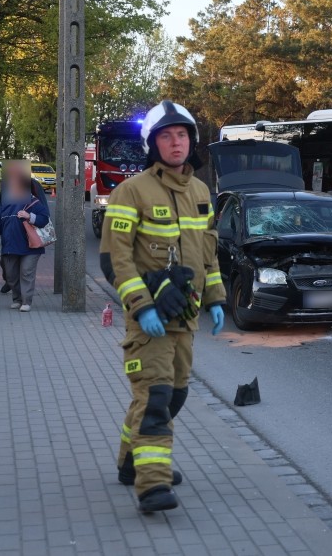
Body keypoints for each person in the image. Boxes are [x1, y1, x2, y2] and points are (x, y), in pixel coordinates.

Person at [99, 100, 226, 514]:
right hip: (148, 321)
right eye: (167, 136)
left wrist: (216, 298)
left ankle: (130, 460)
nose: (177, 143)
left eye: (183, 134)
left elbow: (209, 253)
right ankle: (151, 484)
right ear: (153, 144)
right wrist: (142, 306)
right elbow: (114, 258)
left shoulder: (202, 192)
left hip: (185, 320)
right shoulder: (130, 191)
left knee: (173, 397)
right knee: (154, 399)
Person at [0, 170, 49, 312]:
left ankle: (26, 302)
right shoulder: (5, 203)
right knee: (11, 274)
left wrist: (30, 216)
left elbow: (44, 218)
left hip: (31, 246)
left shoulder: (34, 201)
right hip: (10, 245)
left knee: (26, 272)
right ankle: (17, 298)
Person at [0, 161, 48, 294]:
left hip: (28, 231)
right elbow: (0, 208)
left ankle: (21, 293)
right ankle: (11, 281)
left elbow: (43, 208)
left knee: (25, 267)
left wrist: (31, 216)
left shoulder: (34, 186)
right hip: (9, 230)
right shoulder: (7, 187)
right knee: (5, 262)